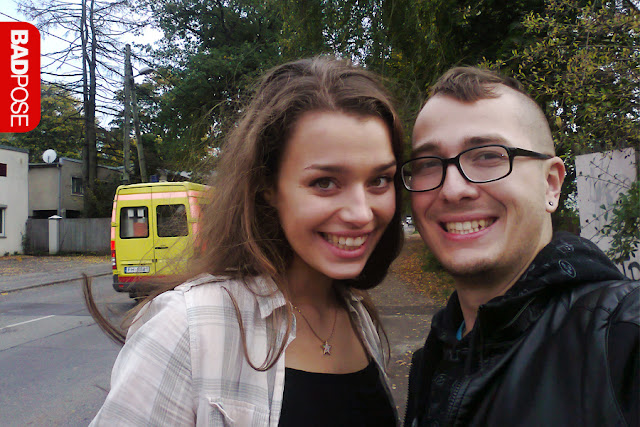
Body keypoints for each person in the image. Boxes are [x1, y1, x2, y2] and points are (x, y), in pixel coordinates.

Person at [87, 56, 405, 426]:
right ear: (267, 186)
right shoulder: (187, 328)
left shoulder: (359, 317)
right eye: (325, 182)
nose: (362, 213)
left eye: (379, 180)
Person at [402, 66, 639, 427]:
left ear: (551, 184)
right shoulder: (435, 357)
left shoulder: (622, 338)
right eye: (428, 164)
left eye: (487, 156)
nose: (452, 189)